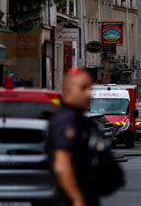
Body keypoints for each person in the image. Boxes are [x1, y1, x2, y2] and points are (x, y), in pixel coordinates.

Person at [48, 68, 98, 206]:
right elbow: (62, 164)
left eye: (90, 87)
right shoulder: (67, 121)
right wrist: (77, 199)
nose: (89, 93)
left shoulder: (79, 119)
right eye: (83, 88)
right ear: (68, 91)